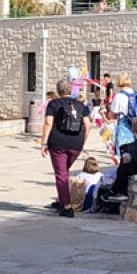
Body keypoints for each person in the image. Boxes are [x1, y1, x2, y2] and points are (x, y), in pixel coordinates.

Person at [41, 78, 90, 218]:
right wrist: (82, 142)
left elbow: (48, 123)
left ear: (58, 91)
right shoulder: (80, 105)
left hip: (58, 143)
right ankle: (61, 199)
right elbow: (87, 125)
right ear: (71, 90)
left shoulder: (53, 104)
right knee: (63, 172)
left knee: (61, 174)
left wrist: (44, 143)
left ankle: (67, 206)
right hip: (76, 144)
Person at [109, 116, 137, 200]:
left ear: (133, 130)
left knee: (123, 169)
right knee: (124, 167)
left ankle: (120, 191)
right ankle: (116, 190)